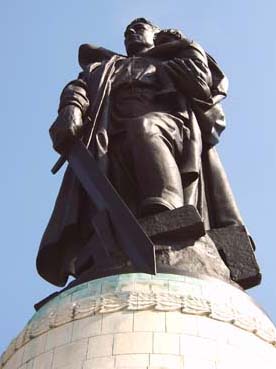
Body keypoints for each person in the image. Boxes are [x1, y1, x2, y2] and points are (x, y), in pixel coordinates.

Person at [37, 18, 244, 287]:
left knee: (144, 128)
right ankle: (108, 239)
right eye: (127, 32)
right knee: (118, 154)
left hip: (172, 126)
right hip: (109, 135)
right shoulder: (107, 66)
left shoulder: (170, 59)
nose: (131, 33)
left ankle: (166, 208)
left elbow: (200, 85)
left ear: (157, 35)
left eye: (140, 27)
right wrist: (71, 108)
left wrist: (181, 45)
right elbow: (79, 86)